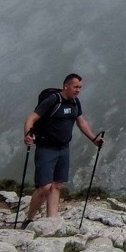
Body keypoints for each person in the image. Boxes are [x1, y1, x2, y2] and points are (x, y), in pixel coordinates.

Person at [20, 73, 103, 225]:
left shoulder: (75, 102)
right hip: (46, 148)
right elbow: (31, 118)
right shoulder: (53, 100)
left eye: (80, 87)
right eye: (75, 87)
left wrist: (94, 139)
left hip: (63, 148)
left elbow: (81, 122)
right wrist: (27, 135)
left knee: (57, 185)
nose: (78, 90)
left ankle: (51, 221)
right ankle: (29, 219)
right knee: (44, 186)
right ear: (66, 86)